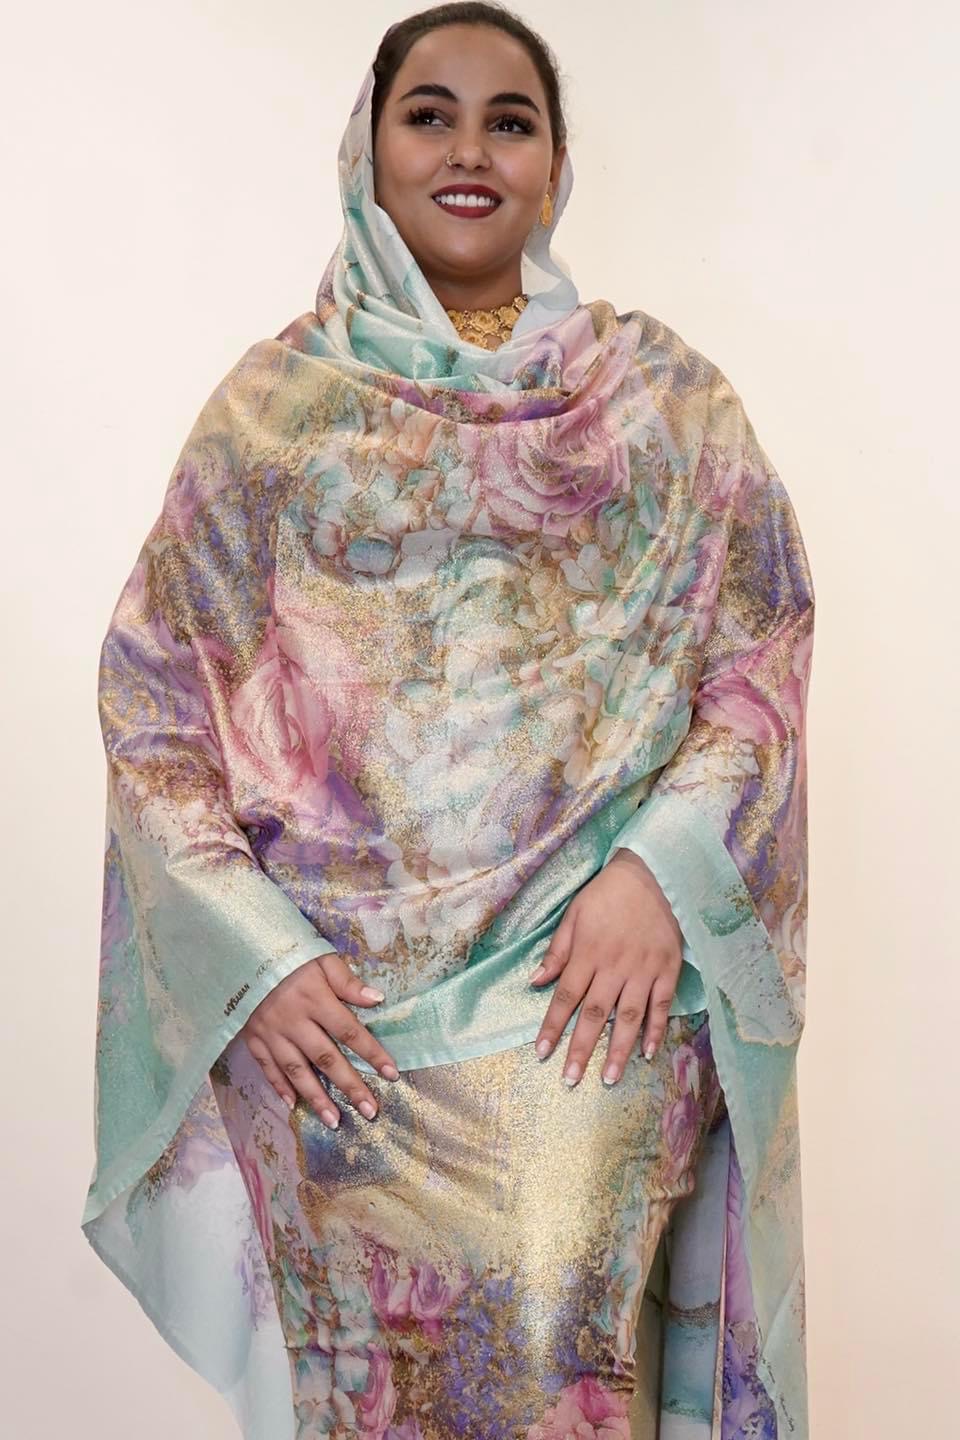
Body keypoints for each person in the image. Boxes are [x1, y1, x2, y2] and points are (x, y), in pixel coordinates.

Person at [80, 5, 816, 1438]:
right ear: (367, 151)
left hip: (586, 1007)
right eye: (430, 115)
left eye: (509, 121)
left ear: (555, 167)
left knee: (554, 1376)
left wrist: (661, 868)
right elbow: (156, 707)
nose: (470, 151)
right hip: (336, 1030)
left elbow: (761, 655)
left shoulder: (665, 407)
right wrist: (255, 957)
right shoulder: (273, 414)